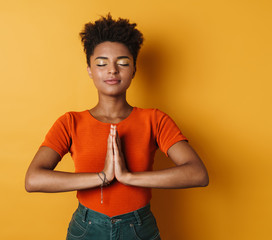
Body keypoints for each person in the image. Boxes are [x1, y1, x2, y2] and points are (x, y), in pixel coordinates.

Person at [25, 14, 209, 240]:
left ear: (134, 69)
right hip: (86, 228)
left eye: (122, 63)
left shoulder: (155, 119)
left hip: (139, 228)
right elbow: (33, 180)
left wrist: (129, 177)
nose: (112, 70)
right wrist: (103, 176)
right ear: (90, 70)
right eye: (101, 63)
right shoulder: (70, 122)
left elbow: (197, 174)